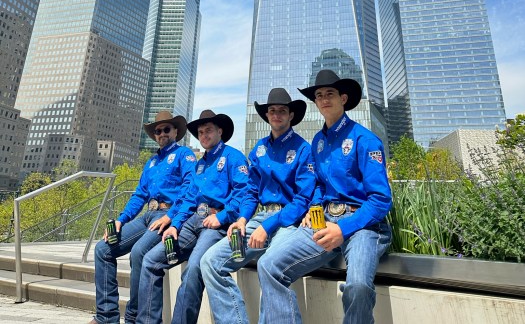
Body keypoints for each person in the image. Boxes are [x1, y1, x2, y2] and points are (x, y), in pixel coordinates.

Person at [257, 70, 392, 324]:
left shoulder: (365, 140)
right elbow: (319, 184)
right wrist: (315, 207)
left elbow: (381, 200)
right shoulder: (318, 141)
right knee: (268, 265)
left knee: (358, 287)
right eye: (319, 95)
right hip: (323, 221)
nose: (323, 99)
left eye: (330, 93)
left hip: (363, 225)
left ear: (343, 98)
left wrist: (342, 229)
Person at [200, 87, 316, 324]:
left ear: (291, 115)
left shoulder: (304, 149)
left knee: (269, 265)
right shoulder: (258, 150)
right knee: (210, 262)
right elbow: (251, 192)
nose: (276, 115)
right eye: (272, 110)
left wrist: (268, 226)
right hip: (258, 219)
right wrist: (242, 219)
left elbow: (302, 200)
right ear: (266, 115)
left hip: (288, 223)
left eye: (282, 111)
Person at [136, 109, 249, 324]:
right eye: (200, 132)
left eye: (208, 131)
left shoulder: (234, 157)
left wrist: (223, 216)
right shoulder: (199, 164)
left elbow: (243, 194)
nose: (204, 135)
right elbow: (188, 199)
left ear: (220, 131)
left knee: (192, 271)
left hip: (216, 224)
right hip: (192, 222)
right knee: (151, 261)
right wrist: (175, 225)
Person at [90, 111, 195, 324]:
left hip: (168, 215)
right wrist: (121, 220)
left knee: (139, 252)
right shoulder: (152, 162)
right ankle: (106, 317)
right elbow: (139, 195)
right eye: (158, 131)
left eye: (167, 129)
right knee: (102, 250)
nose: (162, 133)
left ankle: (133, 317)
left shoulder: (185, 155)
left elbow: (190, 188)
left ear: (175, 131)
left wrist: (172, 217)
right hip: (148, 215)